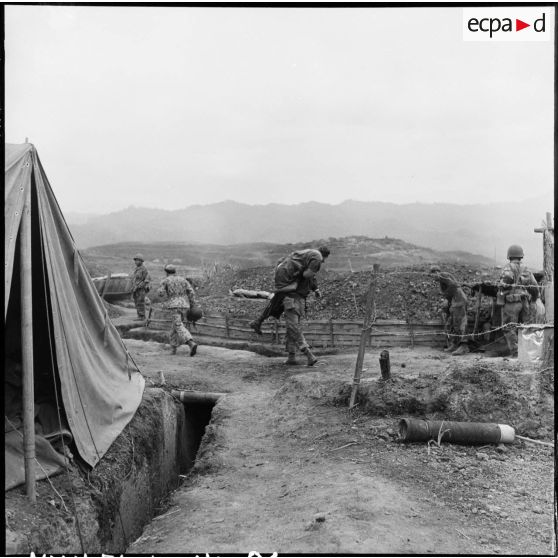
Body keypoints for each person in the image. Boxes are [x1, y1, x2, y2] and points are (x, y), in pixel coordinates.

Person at [251, 246, 329, 365]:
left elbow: (310, 278)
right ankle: (300, 355)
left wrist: (315, 288)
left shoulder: (303, 270)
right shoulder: (304, 270)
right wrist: (315, 288)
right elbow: (309, 277)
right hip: (293, 300)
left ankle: (301, 355)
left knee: (292, 328)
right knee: (292, 327)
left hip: (296, 300)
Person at [497, 245, 540, 357]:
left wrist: (502, 287)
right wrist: (533, 300)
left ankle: (516, 353)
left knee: (509, 327)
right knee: (526, 327)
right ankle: (528, 353)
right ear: (521, 256)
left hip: (512, 303)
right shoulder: (526, 270)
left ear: (509, 256)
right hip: (525, 302)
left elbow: (504, 284)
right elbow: (534, 287)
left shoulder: (507, 268)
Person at [157, 264, 199, 356]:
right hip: (184, 305)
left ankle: (191, 343)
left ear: (166, 272)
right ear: (175, 271)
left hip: (174, 306)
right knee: (174, 327)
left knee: (178, 325)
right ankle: (173, 349)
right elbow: (191, 292)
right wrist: (192, 304)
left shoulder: (165, 280)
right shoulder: (183, 279)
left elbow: (160, 293)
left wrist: (162, 290)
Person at [430, 266, 469, 356]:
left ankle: (464, 346)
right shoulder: (442, 280)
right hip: (455, 301)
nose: (433, 278)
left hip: (459, 300)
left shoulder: (443, 275)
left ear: (436, 272)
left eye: (433, 275)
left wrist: (446, 293)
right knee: (454, 323)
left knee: (460, 323)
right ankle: (455, 345)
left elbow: (453, 285)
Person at [129, 253, 151, 321]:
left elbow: (147, 280)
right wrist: (133, 286)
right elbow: (135, 278)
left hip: (141, 289)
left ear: (141, 261)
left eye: (137, 260)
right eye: (135, 260)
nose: (135, 262)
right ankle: (139, 315)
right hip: (136, 288)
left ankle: (142, 316)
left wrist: (139, 286)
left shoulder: (144, 269)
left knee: (140, 302)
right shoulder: (136, 269)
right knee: (136, 302)